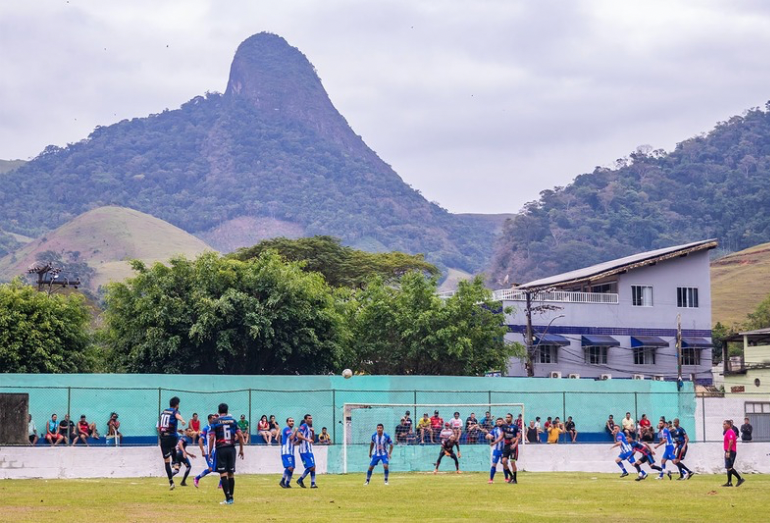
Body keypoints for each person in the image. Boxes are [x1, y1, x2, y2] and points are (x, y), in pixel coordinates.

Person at [209, 403, 244, 504]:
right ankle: (231, 497)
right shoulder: (233, 421)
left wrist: (210, 451)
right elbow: (240, 436)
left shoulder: (215, 422)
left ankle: (228, 498)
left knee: (223, 474)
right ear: (227, 411)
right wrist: (241, 449)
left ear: (219, 411)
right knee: (231, 473)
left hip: (221, 449)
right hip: (231, 449)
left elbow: (211, 438)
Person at [158, 396, 186, 490]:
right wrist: (182, 420)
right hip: (172, 437)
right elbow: (177, 416)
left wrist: (177, 429)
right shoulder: (175, 411)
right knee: (175, 444)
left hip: (163, 437)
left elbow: (163, 426)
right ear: (177, 405)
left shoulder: (163, 412)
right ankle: (175, 463)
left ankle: (171, 482)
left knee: (166, 461)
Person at [193, 413, 218, 488]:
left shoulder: (216, 427)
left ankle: (221, 485)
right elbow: (200, 440)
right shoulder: (205, 429)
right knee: (211, 469)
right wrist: (202, 450)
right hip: (208, 451)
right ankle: (197, 478)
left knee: (220, 467)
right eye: (213, 419)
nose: (214, 420)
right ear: (209, 419)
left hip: (216, 450)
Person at [295, 414, 317, 488]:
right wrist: (307, 439)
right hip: (304, 450)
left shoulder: (309, 428)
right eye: (309, 418)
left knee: (313, 466)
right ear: (305, 420)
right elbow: (298, 435)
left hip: (309, 450)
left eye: (311, 418)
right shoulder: (303, 426)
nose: (310, 419)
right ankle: (300, 480)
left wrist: (313, 432)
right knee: (311, 467)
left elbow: (313, 440)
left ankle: (313, 484)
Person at [722, 419, 744, 487]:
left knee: (729, 467)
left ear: (728, 425)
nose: (723, 426)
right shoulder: (727, 432)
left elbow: (731, 441)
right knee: (729, 467)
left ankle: (740, 479)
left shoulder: (730, 432)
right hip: (728, 451)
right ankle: (729, 483)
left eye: (724, 424)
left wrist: (728, 451)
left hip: (731, 451)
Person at [501, 413, 521, 483]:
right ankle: (511, 476)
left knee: (512, 463)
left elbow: (518, 436)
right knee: (503, 461)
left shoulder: (515, 427)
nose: (507, 418)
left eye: (508, 417)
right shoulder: (504, 426)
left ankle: (515, 479)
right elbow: (502, 436)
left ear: (511, 418)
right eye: (506, 417)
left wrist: (515, 444)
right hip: (506, 446)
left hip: (513, 446)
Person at [279, 417, 297, 488]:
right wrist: (295, 431)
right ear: (287, 423)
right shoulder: (286, 429)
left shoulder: (292, 432)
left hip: (291, 452)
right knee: (289, 467)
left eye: (292, 421)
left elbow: (295, 441)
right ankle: (282, 481)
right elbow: (291, 438)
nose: (292, 422)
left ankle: (287, 483)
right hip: (286, 451)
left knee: (292, 468)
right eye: (290, 421)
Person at [488, 418, 505, 483]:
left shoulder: (505, 429)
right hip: (496, 450)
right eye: (497, 421)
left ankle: (506, 479)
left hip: (504, 450)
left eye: (500, 421)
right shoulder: (494, 430)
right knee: (494, 464)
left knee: (505, 464)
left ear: (503, 422)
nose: (498, 422)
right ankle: (491, 479)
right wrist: (488, 436)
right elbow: (489, 435)